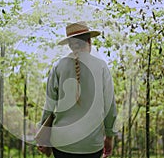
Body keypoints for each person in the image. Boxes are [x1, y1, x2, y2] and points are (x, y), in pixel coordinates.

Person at [38, 21, 117, 158]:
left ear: (69, 45)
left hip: (62, 142)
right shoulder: (102, 67)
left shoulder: (58, 66)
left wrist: (42, 134)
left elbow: (49, 106)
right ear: (89, 41)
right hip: (91, 144)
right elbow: (110, 106)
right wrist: (109, 136)